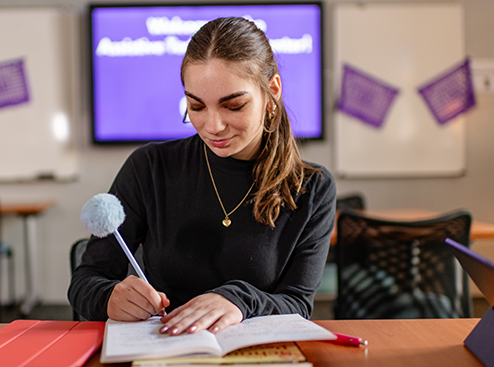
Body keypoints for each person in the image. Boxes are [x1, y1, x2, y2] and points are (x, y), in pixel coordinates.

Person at [68, 16, 336, 336]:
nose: (212, 126)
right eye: (195, 106)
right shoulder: (150, 167)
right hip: (162, 348)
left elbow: (298, 304)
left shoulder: (312, 188)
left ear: (272, 93)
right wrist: (107, 298)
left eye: (233, 106)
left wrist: (239, 299)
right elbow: (85, 282)